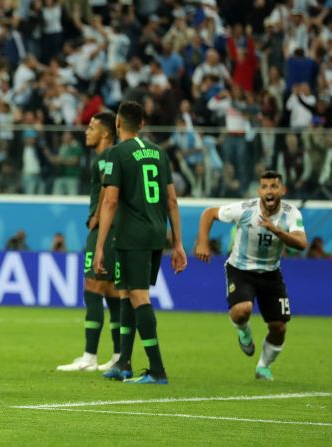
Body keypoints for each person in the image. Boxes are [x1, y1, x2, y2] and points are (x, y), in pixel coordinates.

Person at [94, 101, 187, 384]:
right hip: (156, 233)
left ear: (118, 124)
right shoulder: (159, 153)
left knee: (138, 296)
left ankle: (157, 369)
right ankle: (124, 362)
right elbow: (171, 198)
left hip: (131, 235)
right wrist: (178, 243)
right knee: (125, 293)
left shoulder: (116, 153)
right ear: (143, 125)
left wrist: (99, 246)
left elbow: (110, 201)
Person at [195, 171, 307, 381]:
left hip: (271, 273)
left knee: (279, 327)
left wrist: (277, 231)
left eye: (274, 186)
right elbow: (209, 213)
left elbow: (301, 243)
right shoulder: (246, 209)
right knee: (241, 311)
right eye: (265, 187)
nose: (269, 191)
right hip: (241, 269)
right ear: (259, 191)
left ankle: (263, 366)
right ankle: (244, 331)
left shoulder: (292, 214)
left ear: (283, 190)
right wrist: (202, 242)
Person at [57, 112, 121, 373]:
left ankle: (90, 356)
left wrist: (95, 217)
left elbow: (108, 190)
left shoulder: (107, 157)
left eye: (92, 127)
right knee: (112, 292)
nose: (87, 131)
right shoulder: (106, 157)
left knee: (93, 287)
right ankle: (118, 355)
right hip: (116, 229)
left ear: (106, 133)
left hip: (105, 228)